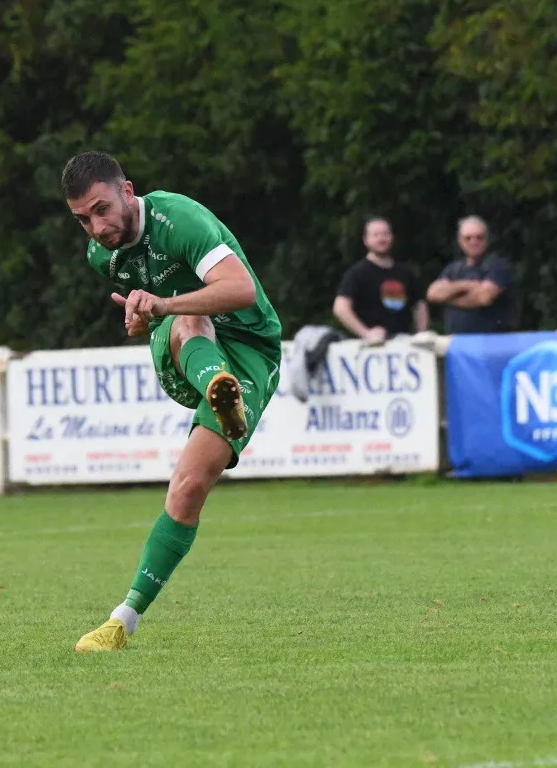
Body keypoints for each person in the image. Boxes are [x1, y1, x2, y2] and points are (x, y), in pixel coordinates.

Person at [63, 151, 281, 651]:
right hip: (186, 353)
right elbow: (149, 312)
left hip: (250, 351)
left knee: (187, 487)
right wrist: (144, 318)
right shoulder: (105, 257)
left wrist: (163, 305)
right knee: (187, 322)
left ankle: (123, 621)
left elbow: (241, 289)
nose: (95, 227)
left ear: (127, 191)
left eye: (100, 210)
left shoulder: (177, 218)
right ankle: (215, 384)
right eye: (81, 219)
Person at [333, 217, 427, 341]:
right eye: (376, 235)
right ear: (366, 240)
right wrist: (365, 333)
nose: (382, 239)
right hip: (369, 348)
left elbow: (419, 305)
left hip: (403, 344)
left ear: (392, 237)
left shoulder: (405, 272)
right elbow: (340, 308)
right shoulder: (357, 273)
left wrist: (421, 334)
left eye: (385, 234)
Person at [425, 216, 516, 334]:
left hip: (492, 343)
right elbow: (433, 293)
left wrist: (449, 298)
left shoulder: (497, 265)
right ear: (460, 242)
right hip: (456, 343)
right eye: (468, 238)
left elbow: (484, 297)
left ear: (487, 239)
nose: (474, 242)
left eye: (479, 237)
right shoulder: (453, 269)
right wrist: (468, 285)